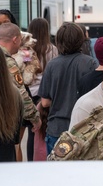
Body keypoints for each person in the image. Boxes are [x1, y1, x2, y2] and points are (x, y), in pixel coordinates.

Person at [37, 23, 98, 154]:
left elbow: (45, 102)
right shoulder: (90, 63)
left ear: (58, 41)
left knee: (57, 172)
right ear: (81, 40)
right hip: (83, 128)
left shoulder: (52, 65)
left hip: (57, 129)